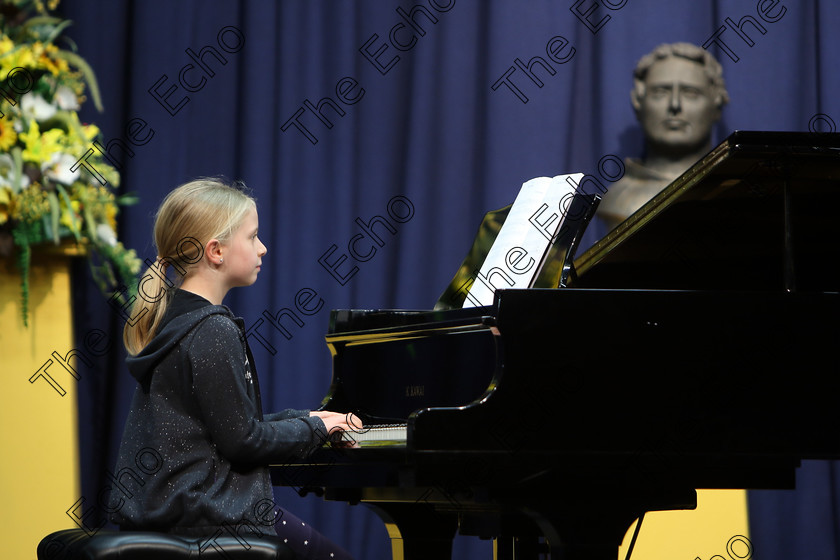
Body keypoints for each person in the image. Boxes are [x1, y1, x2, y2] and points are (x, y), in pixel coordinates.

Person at [109, 178, 358, 559]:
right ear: (216, 251)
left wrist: (308, 417)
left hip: (179, 510)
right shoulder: (212, 329)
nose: (263, 248)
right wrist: (316, 428)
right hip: (205, 517)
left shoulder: (177, 321)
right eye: (253, 236)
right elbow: (244, 443)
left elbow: (226, 427)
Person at [596, 42, 729, 231]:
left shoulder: (734, 193)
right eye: (661, 92)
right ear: (638, 103)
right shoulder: (616, 198)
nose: (675, 104)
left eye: (690, 93)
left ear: (716, 104)